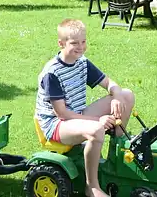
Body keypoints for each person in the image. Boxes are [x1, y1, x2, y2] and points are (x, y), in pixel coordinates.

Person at [35, 19, 135, 197]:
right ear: (61, 43)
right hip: (57, 124)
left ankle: (116, 158)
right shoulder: (52, 73)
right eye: (74, 43)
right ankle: (92, 187)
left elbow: (109, 83)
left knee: (127, 95)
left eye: (83, 41)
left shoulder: (82, 63)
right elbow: (62, 113)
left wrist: (117, 97)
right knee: (97, 129)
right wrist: (99, 120)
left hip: (78, 115)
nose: (80, 47)